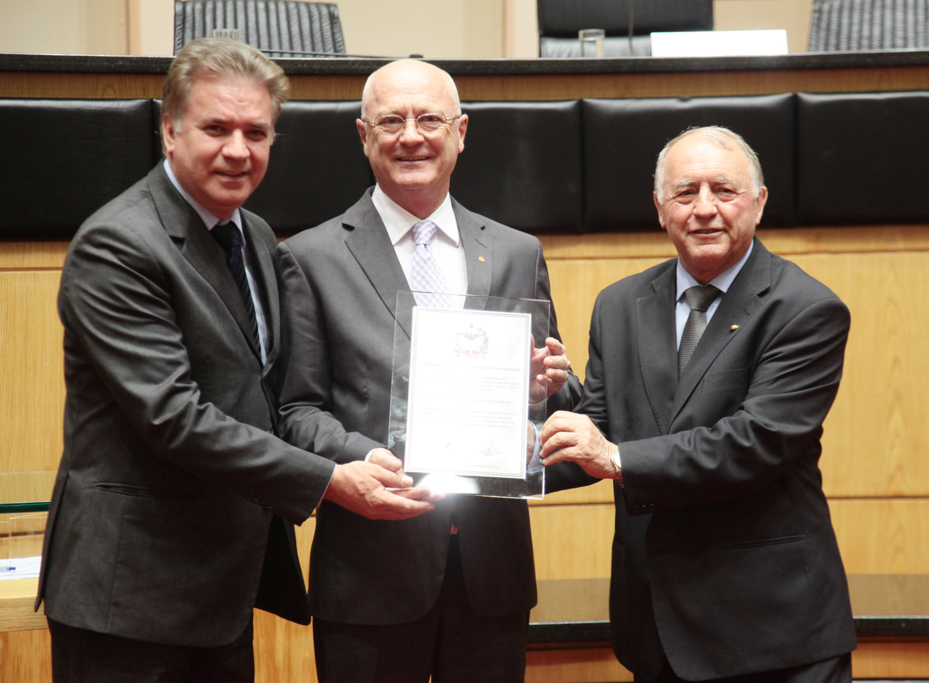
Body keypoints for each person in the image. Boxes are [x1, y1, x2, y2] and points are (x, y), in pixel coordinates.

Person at [37, 38, 437, 683]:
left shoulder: (251, 235)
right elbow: (174, 417)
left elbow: (269, 388)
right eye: (216, 128)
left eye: (257, 132)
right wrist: (330, 480)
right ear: (169, 130)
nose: (237, 151)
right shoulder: (118, 245)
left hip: (219, 587)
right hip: (128, 597)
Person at [274, 58, 580, 683]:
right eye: (391, 119)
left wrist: (549, 385)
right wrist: (369, 461)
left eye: (429, 119)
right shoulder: (308, 257)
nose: (411, 135)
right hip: (369, 573)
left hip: (491, 574)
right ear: (364, 136)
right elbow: (296, 411)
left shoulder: (518, 252)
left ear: (460, 132)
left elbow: (548, 399)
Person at [540, 126, 857, 683]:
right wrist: (515, 443)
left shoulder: (805, 309)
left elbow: (753, 443)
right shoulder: (620, 304)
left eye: (724, 191)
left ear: (758, 204)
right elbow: (601, 426)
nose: (704, 209)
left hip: (773, 635)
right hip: (656, 631)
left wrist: (615, 458)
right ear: (661, 208)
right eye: (685, 193)